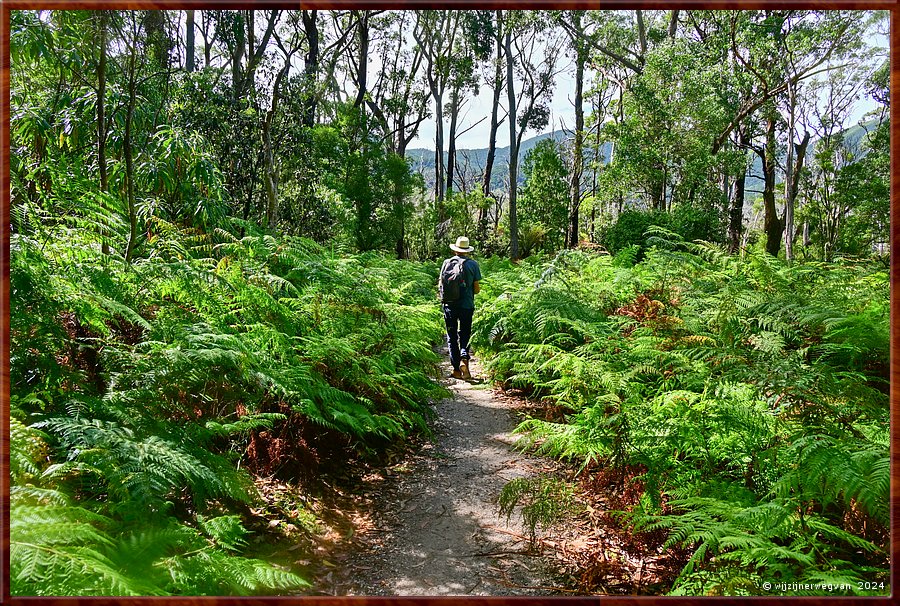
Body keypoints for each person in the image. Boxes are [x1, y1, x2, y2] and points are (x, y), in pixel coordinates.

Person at [439, 236, 482, 380]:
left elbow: (441, 285)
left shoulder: (446, 263)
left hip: (449, 305)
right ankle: (465, 357)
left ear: (455, 250)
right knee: (464, 334)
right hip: (467, 306)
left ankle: (456, 370)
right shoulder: (473, 265)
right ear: (468, 250)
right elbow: (476, 290)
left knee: (451, 338)